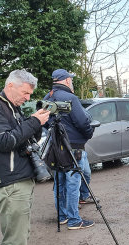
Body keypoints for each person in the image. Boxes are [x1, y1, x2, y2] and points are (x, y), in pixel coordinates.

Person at [0, 69, 50, 245]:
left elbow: (21, 139)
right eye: (25, 93)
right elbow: (4, 141)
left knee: (15, 239)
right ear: (10, 85)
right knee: (15, 243)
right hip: (11, 183)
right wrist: (33, 123)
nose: (27, 98)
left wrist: (37, 125)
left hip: (19, 179)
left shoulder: (12, 108)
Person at [44, 69, 95, 229]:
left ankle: (62, 216)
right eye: (70, 79)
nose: (71, 82)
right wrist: (89, 133)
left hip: (56, 147)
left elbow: (44, 122)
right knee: (73, 182)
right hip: (74, 148)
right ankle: (74, 220)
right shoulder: (71, 98)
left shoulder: (47, 97)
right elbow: (82, 122)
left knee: (59, 182)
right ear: (66, 81)